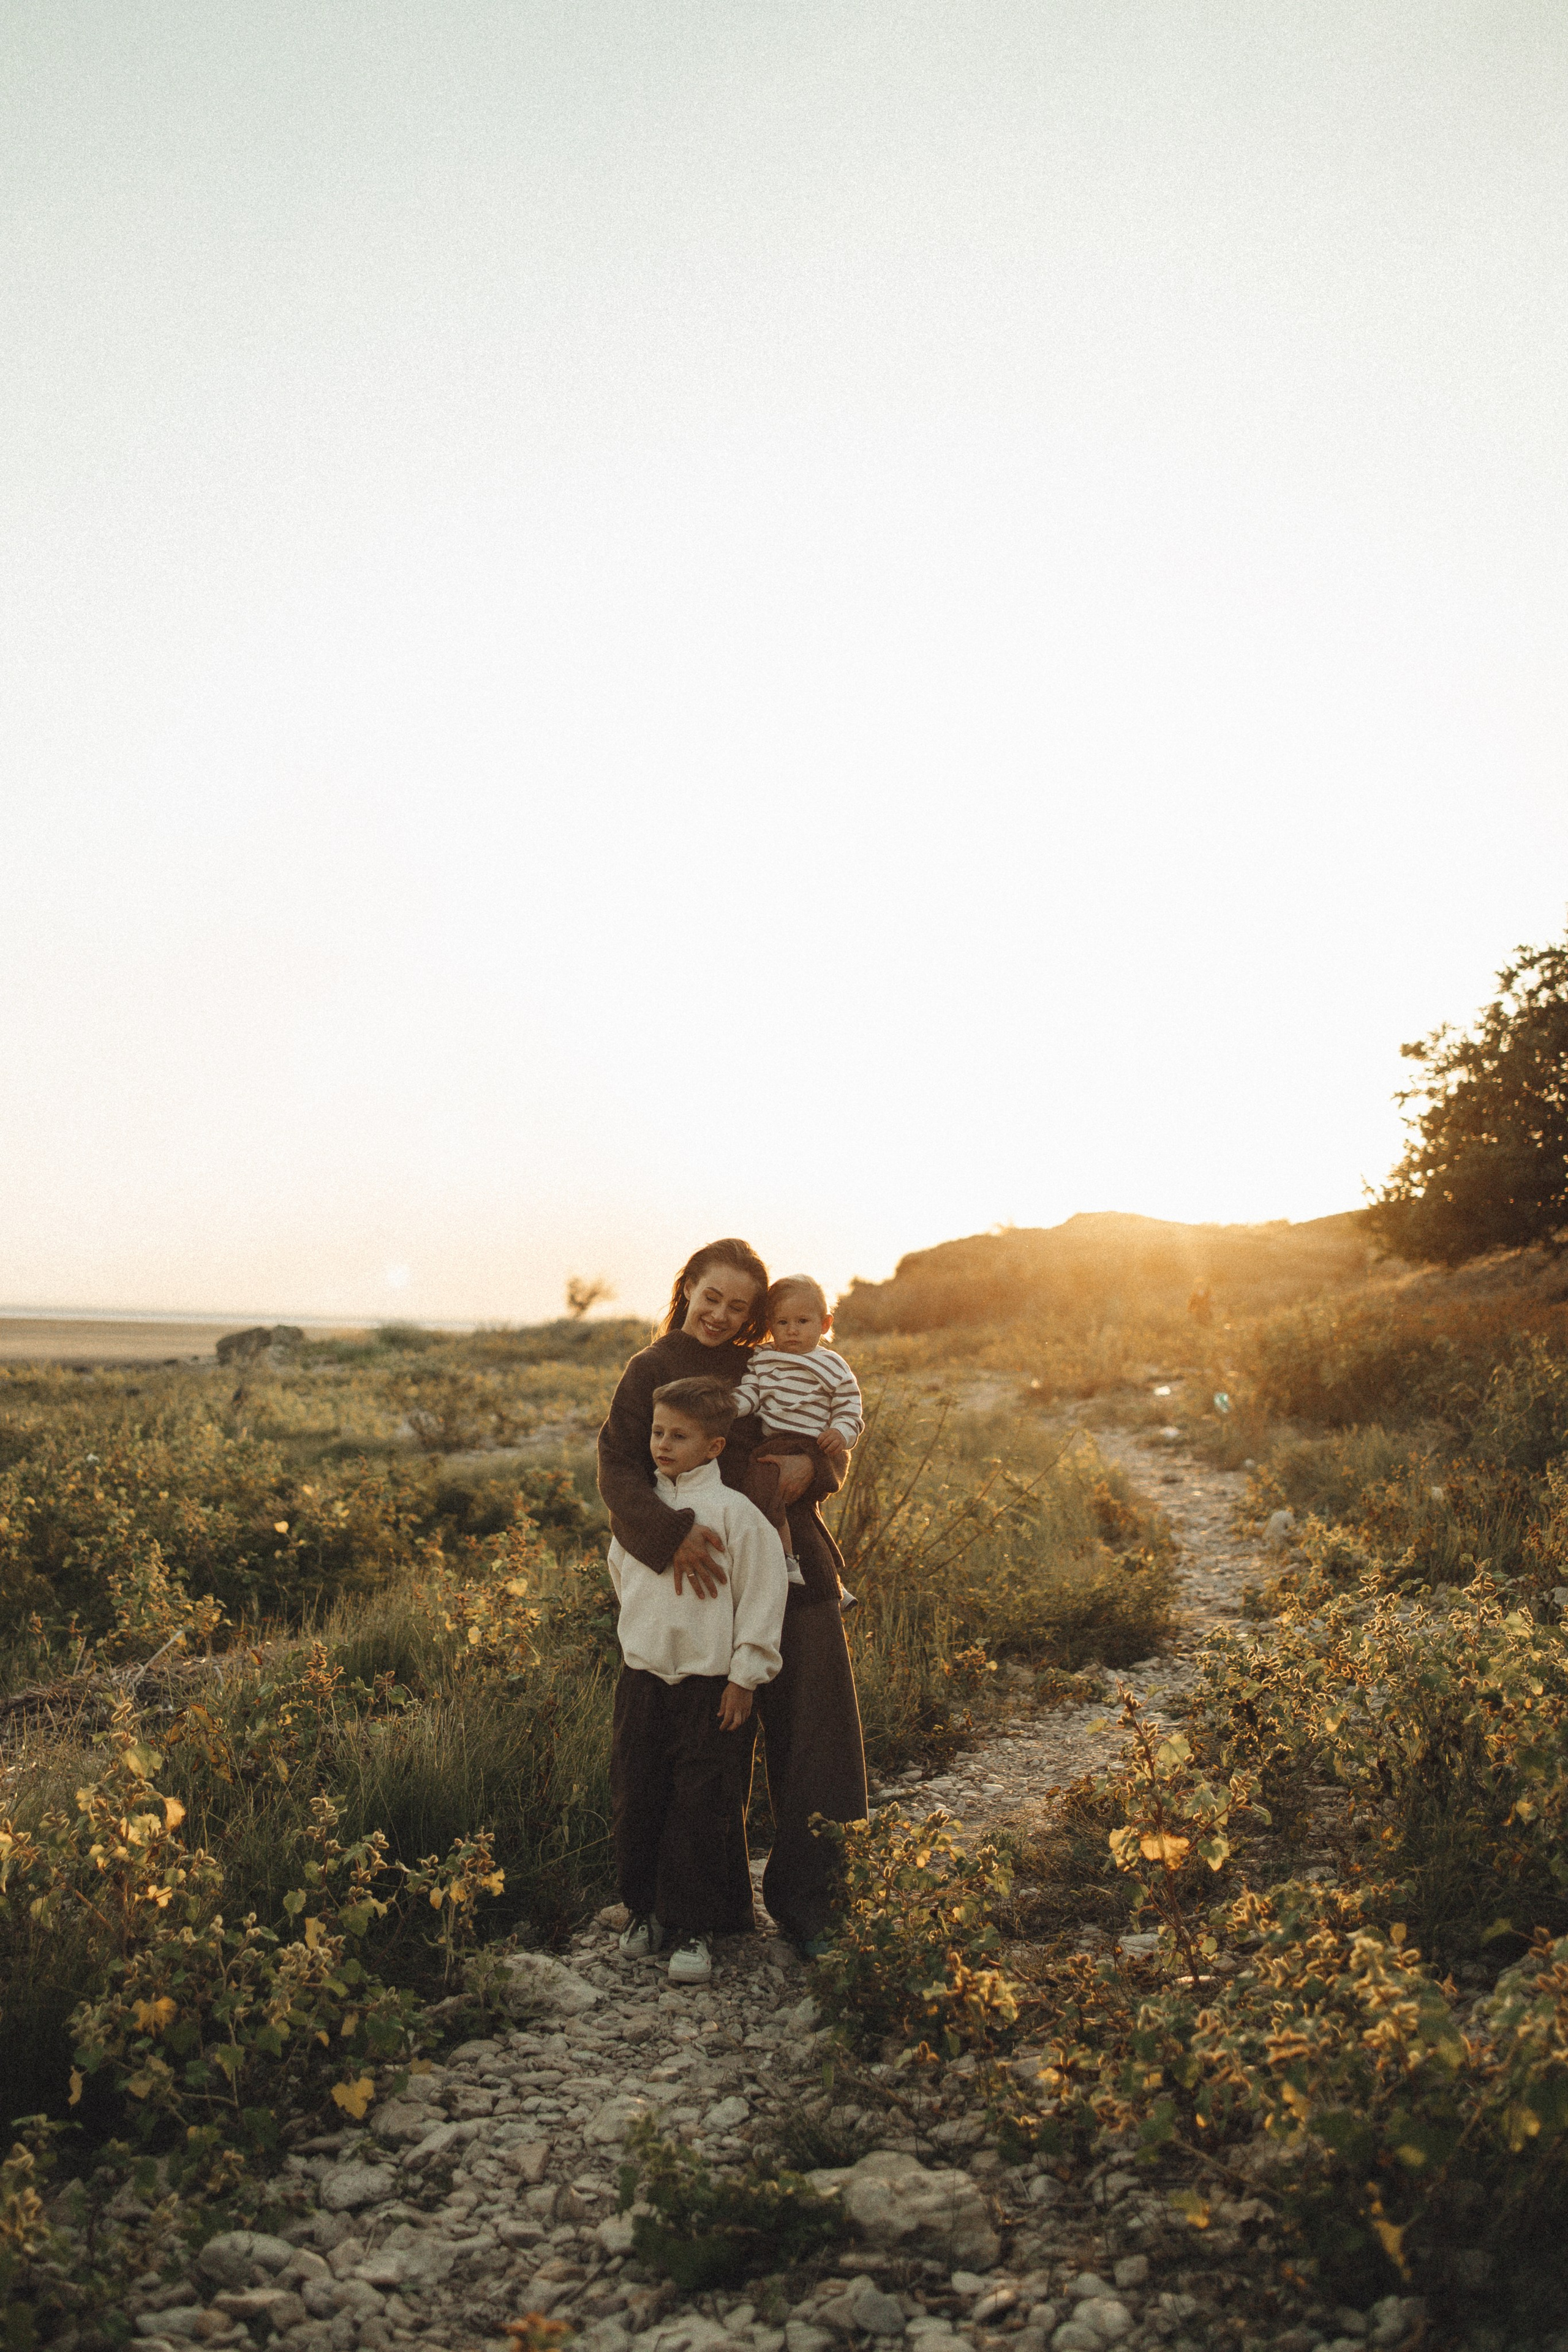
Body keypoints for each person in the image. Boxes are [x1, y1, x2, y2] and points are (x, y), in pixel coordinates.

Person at [597, 1238, 868, 1958]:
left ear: (756, 1315)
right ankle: (687, 1911)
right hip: (696, 1578)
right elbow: (618, 1471)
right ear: (685, 1286)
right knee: (700, 1754)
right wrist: (669, 1535)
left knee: (816, 1740)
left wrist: (812, 1466)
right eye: (709, 1296)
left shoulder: (767, 1359)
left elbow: (818, 1440)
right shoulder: (650, 1370)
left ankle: (820, 1910)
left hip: (791, 1563)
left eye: (737, 1306)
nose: (719, 1314)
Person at [607, 1375, 788, 1986]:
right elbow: (623, 1583)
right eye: (658, 1432)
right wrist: (644, 1639)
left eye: (679, 1436)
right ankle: (644, 1912)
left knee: (702, 1804)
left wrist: (745, 1676)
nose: (662, 1444)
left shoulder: (735, 1515)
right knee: (638, 1795)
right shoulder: (641, 1515)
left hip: (712, 1687)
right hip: (642, 1679)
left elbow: (764, 1598)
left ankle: (694, 1926)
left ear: (713, 1447)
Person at [731, 1276, 865, 1610]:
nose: (792, 1330)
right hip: (774, 1443)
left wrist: (842, 1432)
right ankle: (833, 1584)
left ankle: (789, 1562)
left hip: (810, 1445)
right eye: (783, 1322)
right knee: (797, 1512)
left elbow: (849, 1406)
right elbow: (751, 1393)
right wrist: (727, 1405)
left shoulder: (831, 1364)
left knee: (766, 1494)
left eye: (803, 1322)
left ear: (824, 1324)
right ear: (770, 1325)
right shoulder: (762, 1359)